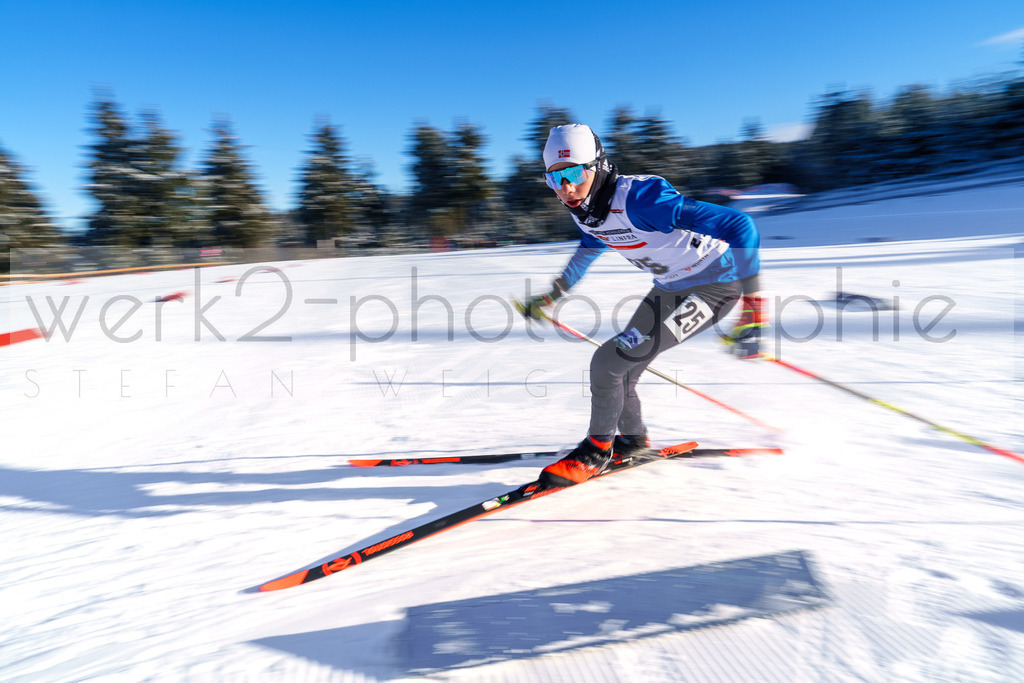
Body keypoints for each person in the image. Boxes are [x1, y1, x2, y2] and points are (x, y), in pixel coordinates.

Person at [517, 123, 766, 488]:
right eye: (554, 179)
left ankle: (595, 452)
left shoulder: (641, 199)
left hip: (715, 287)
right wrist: (552, 296)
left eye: (574, 174)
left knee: (608, 361)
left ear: (598, 167)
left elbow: (741, 225)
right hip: (669, 289)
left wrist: (754, 312)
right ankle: (633, 441)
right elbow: (588, 249)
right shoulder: (585, 209)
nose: (566, 188)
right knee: (622, 370)